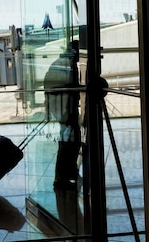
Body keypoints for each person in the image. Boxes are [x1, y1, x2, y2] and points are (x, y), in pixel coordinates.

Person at [44, 40, 81, 190]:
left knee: (68, 142)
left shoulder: (61, 63)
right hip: (65, 110)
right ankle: (63, 177)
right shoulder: (66, 65)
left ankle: (66, 174)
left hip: (62, 109)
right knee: (69, 142)